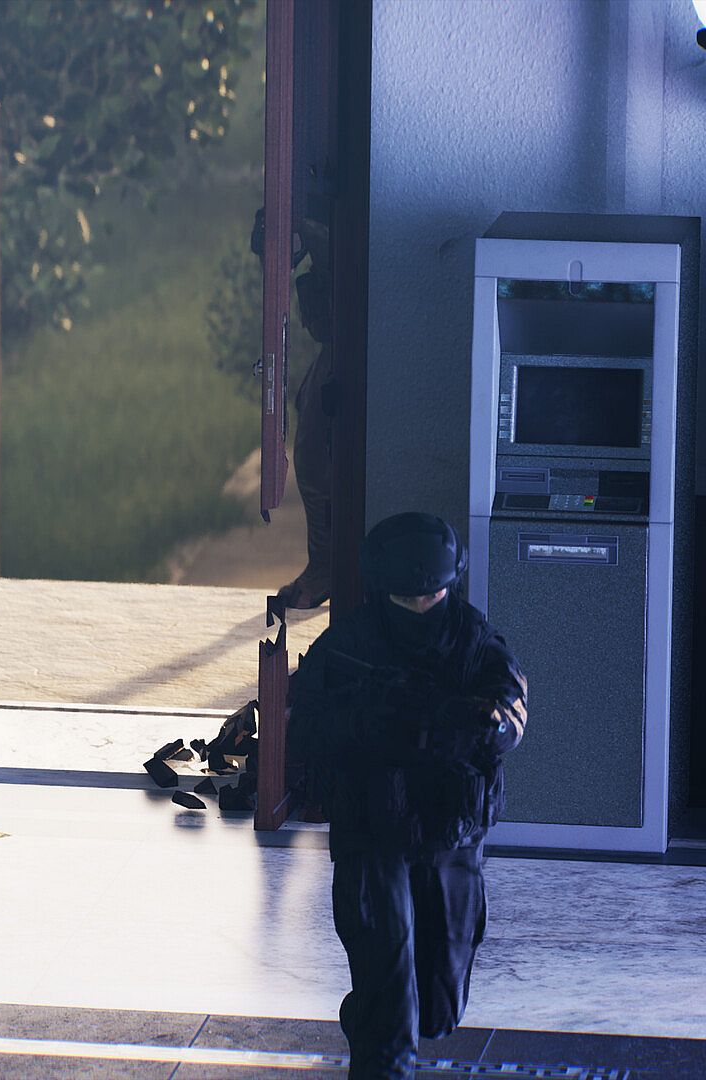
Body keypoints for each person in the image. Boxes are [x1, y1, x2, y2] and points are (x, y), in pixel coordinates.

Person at [287, 512, 528, 1079]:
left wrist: (476, 726)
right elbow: (303, 731)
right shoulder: (347, 646)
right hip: (373, 835)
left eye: (432, 596)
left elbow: (512, 712)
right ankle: (376, 1035)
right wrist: (370, 725)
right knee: (389, 1008)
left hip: (450, 833)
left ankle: (379, 1020)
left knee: (439, 1007)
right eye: (407, 599)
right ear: (382, 591)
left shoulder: (473, 639)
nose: (421, 607)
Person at [251, 207, 337, 609]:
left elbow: (345, 245)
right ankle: (325, 565)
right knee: (311, 451)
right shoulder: (309, 189)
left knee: (317, 458)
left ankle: (327, 568)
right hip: (338, 334)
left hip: (359, 326)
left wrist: (302, 225)